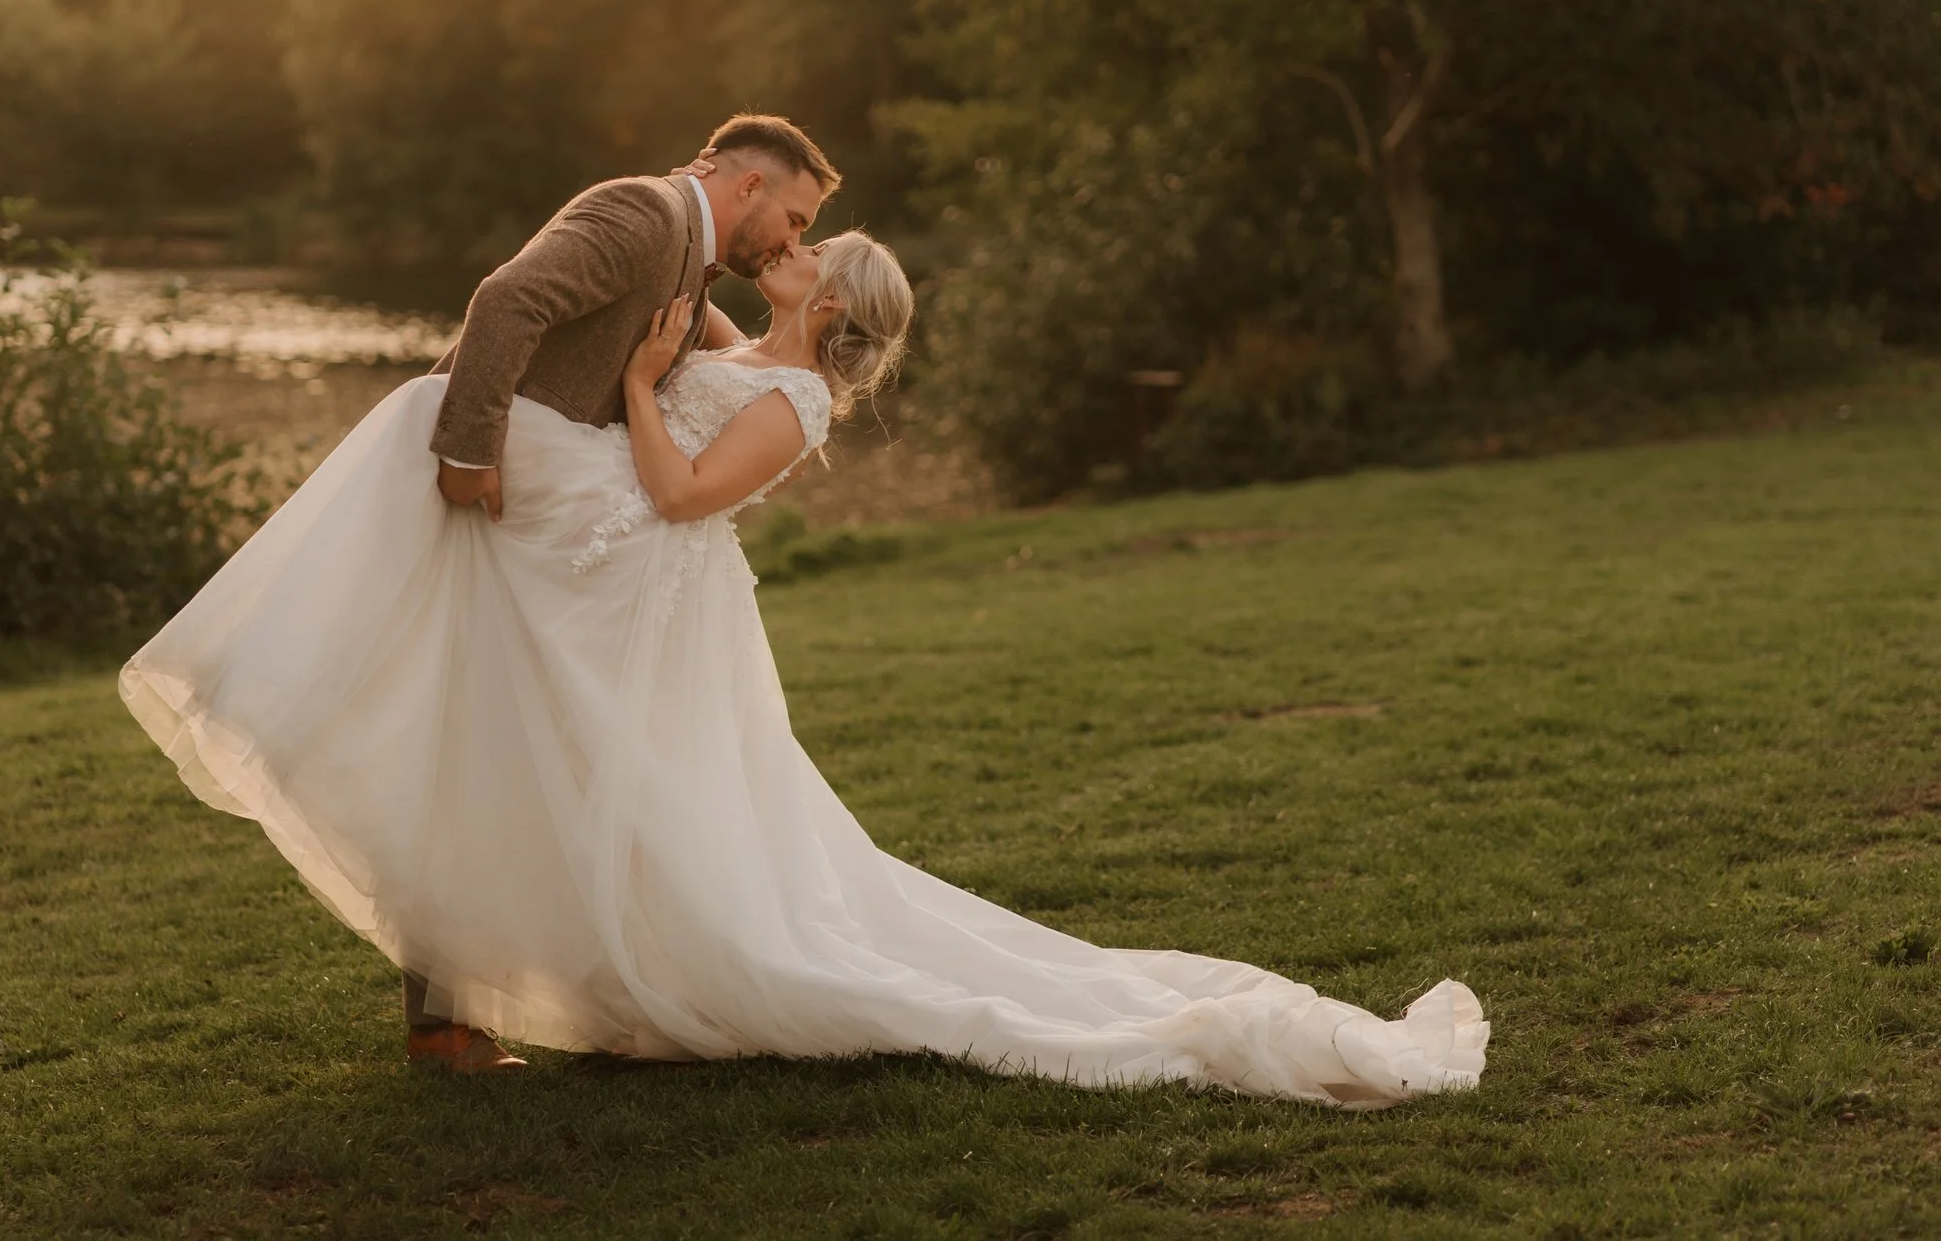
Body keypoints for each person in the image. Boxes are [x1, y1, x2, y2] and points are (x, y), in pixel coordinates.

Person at [120, 114, 1488, 1106]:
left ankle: (461, 1006)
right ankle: (448, 1007)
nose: (791, 238)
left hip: (618, 555)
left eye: (808, 242)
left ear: (823, 292)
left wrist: (644, 393)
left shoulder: (773, 366)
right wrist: (475, 446)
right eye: (793, 215)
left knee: (520, 756)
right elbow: (515, 301)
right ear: (748, 180)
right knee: (475, 736)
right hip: (551, 522)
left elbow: (680, 452)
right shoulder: (673, 243)